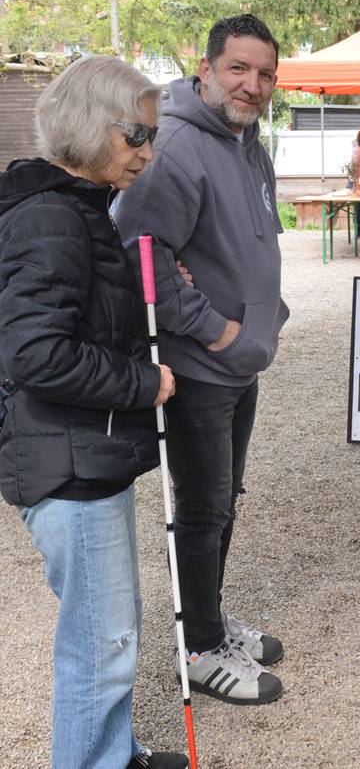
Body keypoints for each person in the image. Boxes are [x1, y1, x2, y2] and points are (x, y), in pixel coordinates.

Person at [0, 56, 187, 768]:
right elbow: (36, 355)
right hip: (66, 460)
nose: (146, 151)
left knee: (102, 631)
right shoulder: (52, 216)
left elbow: (74, 321)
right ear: (89, 126)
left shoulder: (72, 207)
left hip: (73, 452)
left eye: (151, 136)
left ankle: (114, 750)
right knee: (100, 644)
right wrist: (143, 382)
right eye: (136, 133)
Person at [114, 14, 288, 705]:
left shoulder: (246, 142)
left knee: (223, 500)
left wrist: (261, 324)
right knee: (202, 506)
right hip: (198, 367)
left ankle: (209, 620)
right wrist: (217, 331)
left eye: (266, 73)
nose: (253, 84)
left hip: (240, 362)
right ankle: (198, 649)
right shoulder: (177, 145)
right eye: (239, 68)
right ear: (207, 67)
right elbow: (140, 256)